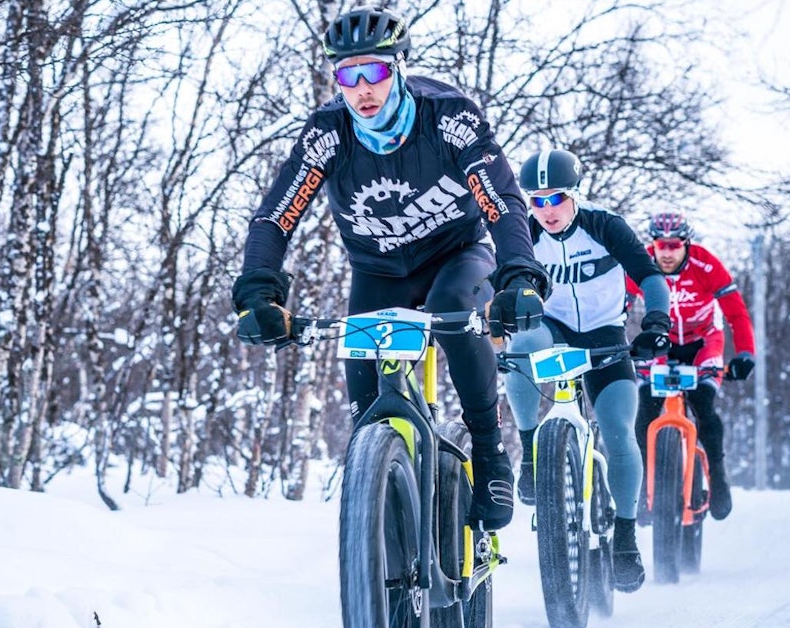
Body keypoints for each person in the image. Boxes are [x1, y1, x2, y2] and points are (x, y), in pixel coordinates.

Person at [230, 6, 550, 531]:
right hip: (378, 270)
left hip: (457, 256)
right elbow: (275, 216)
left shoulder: (449, 116)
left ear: (399, 67)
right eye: (347, 76)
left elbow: (504, 202)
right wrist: (259, 293)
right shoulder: (327, 134)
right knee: (367, 420)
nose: (362, 89)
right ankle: (385, 537)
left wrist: (517, 275)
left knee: (453, 308)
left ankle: (490, 452)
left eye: (374, 71)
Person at [504, 149, 671, 593]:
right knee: (520, 347)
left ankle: (625, 535)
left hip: (604, 332)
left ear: (574, 193)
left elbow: (651, 276)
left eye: (555, 198)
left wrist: (656, 322)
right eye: (536, 201)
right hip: (552, 329)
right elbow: (491, 277)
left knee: (618, 428)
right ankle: (530, 452)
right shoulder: (524, 233)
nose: (546, 210)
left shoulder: (604, 225)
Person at [627, 212, 756, 522]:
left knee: (704, 407)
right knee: (644, 409)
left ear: (686, 244)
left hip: (703, 343)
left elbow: (736, 314)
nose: (667, 253)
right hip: (662, 343)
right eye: (661, 245)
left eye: (674, 246)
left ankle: (719, 478)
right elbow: (619, 306)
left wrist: (745, 354)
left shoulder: (706, 264)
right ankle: (647, 483)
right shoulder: (640, 264)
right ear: (653, 244)